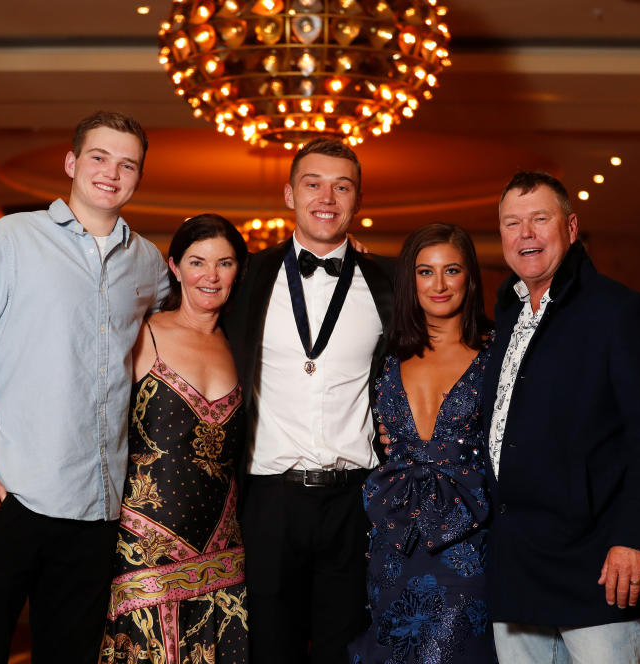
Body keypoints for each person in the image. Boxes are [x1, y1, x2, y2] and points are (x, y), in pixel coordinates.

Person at [0, 110, 169, 663]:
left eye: (127, 164)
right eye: (99, 157)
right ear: (71, 162)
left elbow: (177, 339)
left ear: (138, 177)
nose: (111, 172)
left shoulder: (149, 264)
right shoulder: (11, 240)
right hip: (6, 493)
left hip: (97, 508)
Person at [481, 171, 640, 662]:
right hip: (518, 567)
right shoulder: (505, 315)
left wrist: (636, 538)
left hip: (600, 566)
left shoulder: (620, 312)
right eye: (512, 223)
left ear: (570, 227)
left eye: (539, 220)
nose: (525, 234)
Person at [222, 138, 394, 664]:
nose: (327, 196)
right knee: (269, 648)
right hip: (268, 499)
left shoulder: (392, 282)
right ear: (288, 193)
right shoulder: (243, 277)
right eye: (312, 183)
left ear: (357, 202)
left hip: (357, 502)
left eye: (342, 186)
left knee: (346, 650)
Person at [98, 214, 250, 664]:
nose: (210, 275)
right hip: (142, 551)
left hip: (224, 550)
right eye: (197, 262)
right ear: (174, 266)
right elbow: (80, 397)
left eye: (224, 263)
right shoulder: (142, 334)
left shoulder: (243, 344)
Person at [350, 223, 496, 664]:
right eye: (425, 271)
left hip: (469, 543)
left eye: (451, 270)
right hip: (392, 544)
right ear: (409, 280)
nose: (439, 284)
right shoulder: (386, 354)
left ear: (469, 276)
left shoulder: (497, 352)